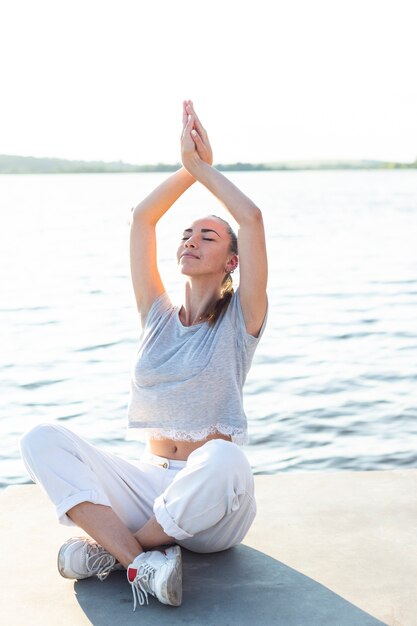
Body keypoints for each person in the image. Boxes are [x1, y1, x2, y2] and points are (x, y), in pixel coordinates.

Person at [20, 101, 268, 610]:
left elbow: (252, 217)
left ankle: (112, 555)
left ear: (232, 260)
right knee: (41, 439)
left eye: (208, 235)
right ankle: (143, 561)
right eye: (186, 234)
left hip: (213, 507)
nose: (191, 240)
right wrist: (184, 167)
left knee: (222, 458)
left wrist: (204, 169)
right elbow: (142, 218)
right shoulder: (156, 316)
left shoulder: (242, 319)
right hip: (150, 485)